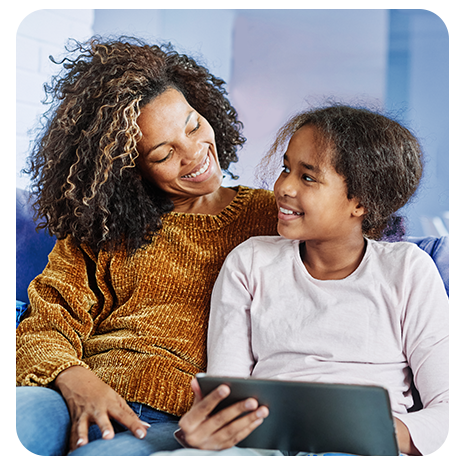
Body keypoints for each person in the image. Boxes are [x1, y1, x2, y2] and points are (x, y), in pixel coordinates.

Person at [15, 36, 277, 456]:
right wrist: (76, 380)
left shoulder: (272, 217)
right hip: (73, 393)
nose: (194, 154)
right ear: (130, 169)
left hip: (175, 419)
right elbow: (43, 324)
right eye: (163, 153)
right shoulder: (103, 227)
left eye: (192, 125)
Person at [167, 105, 449, 456]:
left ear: (361, 202)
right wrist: (207, 430)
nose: (283, 187)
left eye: (308, 177)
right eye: (286, 169)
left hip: (366, 451)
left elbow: (452, 409)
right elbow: (227, 393)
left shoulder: (407, 270)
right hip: (265, 448)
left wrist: (387, 433)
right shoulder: (250, 262)